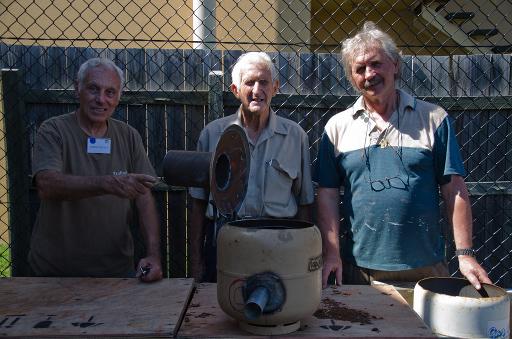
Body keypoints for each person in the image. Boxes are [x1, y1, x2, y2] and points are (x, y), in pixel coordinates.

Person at [315, 22, 491, 290]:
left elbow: (454, 189)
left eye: (376, 63)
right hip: (360, 269)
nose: (369, 74)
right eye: (359, 69)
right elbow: (327, 194)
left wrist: (465, 255)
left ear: (395, 64)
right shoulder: (336, 127)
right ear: (352, 78)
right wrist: (331, 253)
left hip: (425, 268)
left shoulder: (433, 119)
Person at [28, 58, 163, 282]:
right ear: (77, 89)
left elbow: (144, 197)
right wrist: (107, 184)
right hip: (55, 272)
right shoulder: (54, 130)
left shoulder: (128, 136)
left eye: (110, 92)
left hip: (115, 271)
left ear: (118, 97)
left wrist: (153, 255)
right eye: (93, 89)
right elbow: (46, 185)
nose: (101, 99)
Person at [189, 52, 315, 282]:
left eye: (264, 82)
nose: (257, 90)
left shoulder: (295, 137)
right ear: (236, 90)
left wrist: (305, 256)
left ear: (275, 87)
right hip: (227, 241)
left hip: (280, 244)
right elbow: (198, 203)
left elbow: (305, 204)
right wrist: (196, 261)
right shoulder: (213, 134)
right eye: (249, 83)